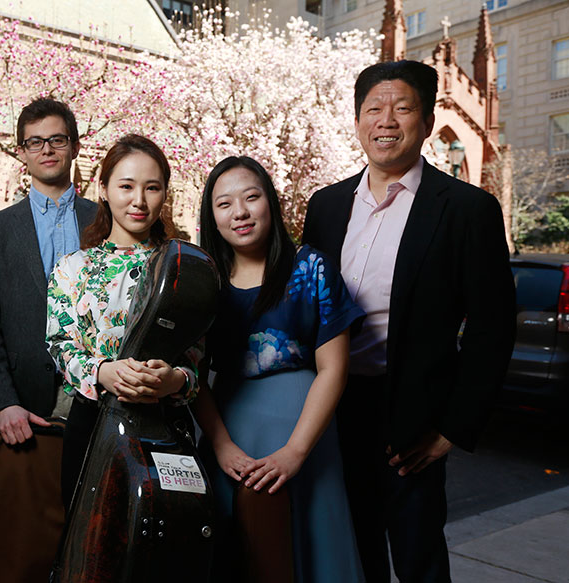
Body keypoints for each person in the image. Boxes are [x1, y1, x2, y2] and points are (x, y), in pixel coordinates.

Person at [302, 60, 516, 582]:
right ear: (357, 121)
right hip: (333, 408)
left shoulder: (468, 209)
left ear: (426, 121)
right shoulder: (327, 206)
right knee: (352, 552)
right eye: (374, 108)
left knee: (419, 556)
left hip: (412, 419)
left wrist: (451, 430)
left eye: (402, 108)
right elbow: (304, 307)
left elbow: (493, 326)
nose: (386, 120)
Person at [194, 156, 366, 582]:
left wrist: (295, 452)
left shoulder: (312, 269)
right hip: (230, 439)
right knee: (235, 556)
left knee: (314, 550)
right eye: (225, 204)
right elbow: (191, 375)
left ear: (270, 202)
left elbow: (334, 369)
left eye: (252, 197)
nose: (241, 212)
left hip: (306, 440)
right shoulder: (203, 283)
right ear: (211, 217)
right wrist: (221, 447)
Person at [45, 134, 200, 510]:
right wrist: (102, 372)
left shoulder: (184, 269)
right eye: (126, 186)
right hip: (92, 422)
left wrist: (175, 379)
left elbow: (198, 356)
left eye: (152, 188)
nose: (139, 201)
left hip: (165, 424)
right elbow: (59, 344)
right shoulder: (73, 268)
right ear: (103, 188)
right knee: (90, 547)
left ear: (165, 193)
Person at [0, 98, 98, 443]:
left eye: (58, 139)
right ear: (22, 152)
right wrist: (3, 402)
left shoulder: (105, 220)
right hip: (22, 404)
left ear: (75, 147)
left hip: (98, 396)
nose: (47, 149)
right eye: (34, 142)